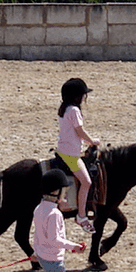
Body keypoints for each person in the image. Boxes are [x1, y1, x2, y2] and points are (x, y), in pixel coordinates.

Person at [21, 169, 86, 272]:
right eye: (64, 191)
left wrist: (36, 252)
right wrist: (73, 246)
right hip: (52, 258)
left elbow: (38, 235)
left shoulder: (39, 208)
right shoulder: (55, 214)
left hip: (44, 255)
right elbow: (54, 239)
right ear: (56, 192)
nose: (66, 194)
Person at [57, 78, 100, 234]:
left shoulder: (64, 109)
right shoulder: (74, 111)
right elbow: (80, 131)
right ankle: (81, 216)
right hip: (71, 155)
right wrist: (92, 141)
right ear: (77, 96)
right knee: (86, 182)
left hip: (63, 150)